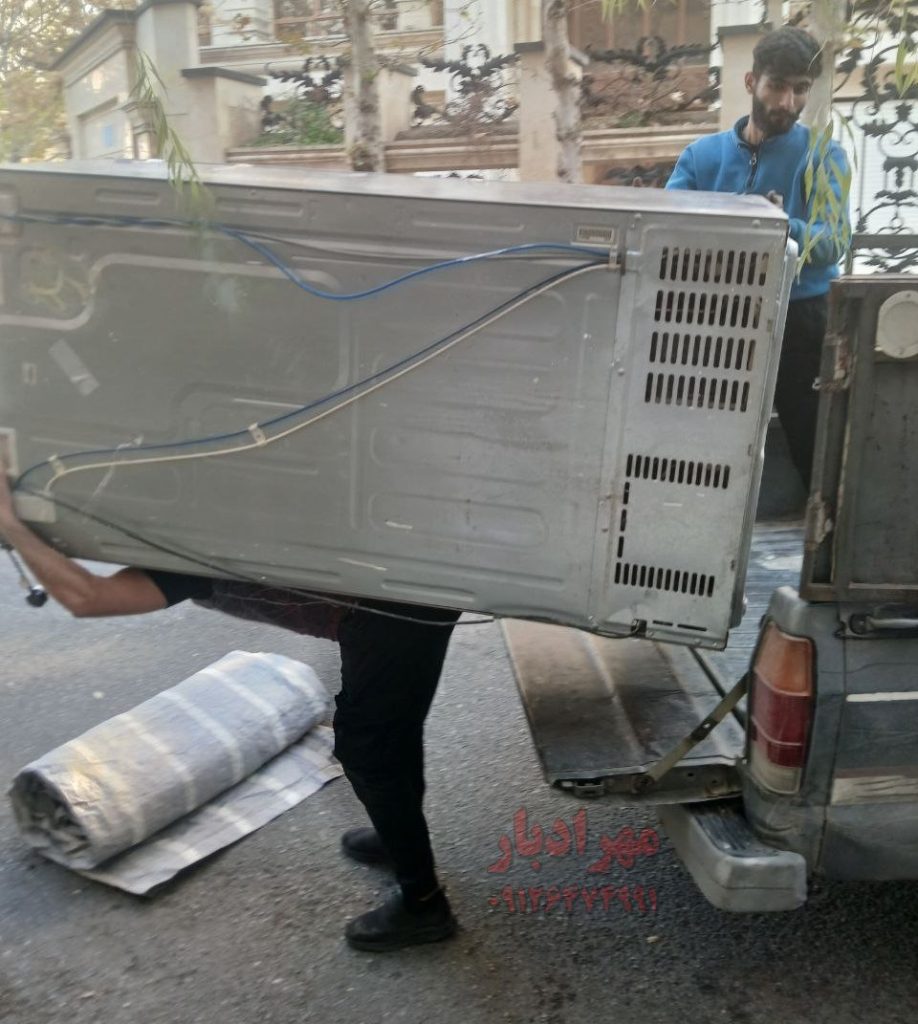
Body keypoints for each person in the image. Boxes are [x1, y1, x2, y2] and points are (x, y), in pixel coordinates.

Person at [0, 460, 459, 953]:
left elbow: (89, 596)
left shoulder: (189, 545)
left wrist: (10, 523)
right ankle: (397, 838)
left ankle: (424, 905)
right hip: (392, 588)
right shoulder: (202, 505)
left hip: (390, 609)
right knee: (391, 736)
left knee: (372, 751)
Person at [666, 25, 851, 492]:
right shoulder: (701, 157)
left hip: (800, 319)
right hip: (714, 321)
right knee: (701, 446)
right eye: (777, 86)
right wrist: (736, 223)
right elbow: (666, 232)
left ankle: (823, 534)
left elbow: (833, 242)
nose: (788, 102)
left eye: (800, 89)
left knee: (813, 442)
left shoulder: (824, 156)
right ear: (751, 82)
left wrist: (778, 224)